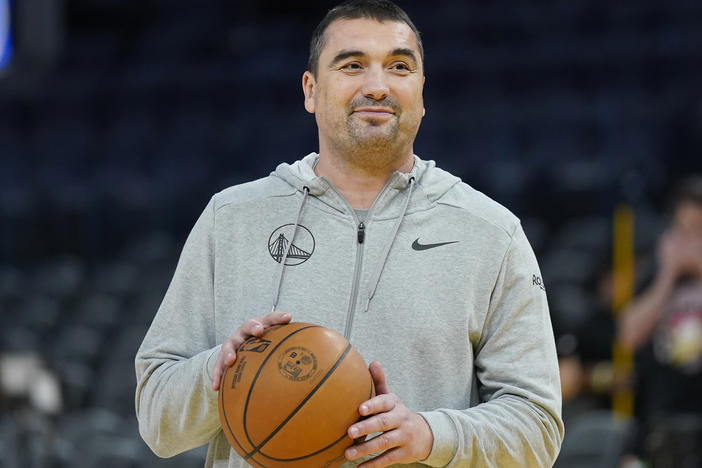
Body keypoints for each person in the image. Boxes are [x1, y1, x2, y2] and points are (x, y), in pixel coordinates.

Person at [135, 1, 563, 467]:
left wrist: (430, 434)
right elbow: (156, 420)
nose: (377, 86)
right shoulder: (232, 217)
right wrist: (218, 373)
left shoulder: (491, 233)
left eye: (399, 67)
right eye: (352, 65)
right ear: (311, 90)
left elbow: (538, 427)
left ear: (421, 92)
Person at [618, 175, 702, 466]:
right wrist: (667, 275)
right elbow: (628, 337)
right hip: (661, 419)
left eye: (699, 232)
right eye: (684, 231)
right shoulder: (658, 276)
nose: (690, 243)